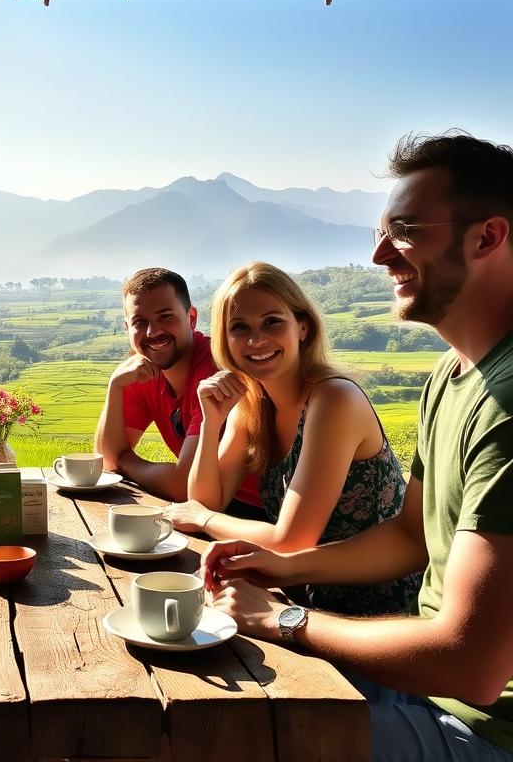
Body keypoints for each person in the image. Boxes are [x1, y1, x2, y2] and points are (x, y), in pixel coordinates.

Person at [204, 132, 513, 761]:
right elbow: (408, 537)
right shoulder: (451, 377)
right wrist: (283, 569)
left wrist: (283, 619)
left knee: (222, 737)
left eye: (404, 230)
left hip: (485, 728)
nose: (377, 255)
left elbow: (471, 667)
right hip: (424, 685)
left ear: (487, 237)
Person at [167, 261, 417, 615]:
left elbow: (290, 541)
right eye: (240, 327)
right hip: (302, 597)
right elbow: (207, 499)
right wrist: (212, 422)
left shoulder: (333, 400)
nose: (256, 340)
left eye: (272, 322)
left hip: (377, 610)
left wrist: (203, 521)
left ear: (302, 327)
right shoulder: (254, 403)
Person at [94, 267, 263, 512]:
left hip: (253, 509)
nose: (153, 332)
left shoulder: (214, 371)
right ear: (127, 328)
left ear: (191, 318)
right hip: (210, 506)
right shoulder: (142, 372)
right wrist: (115, 386)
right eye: (140, 322)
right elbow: (106, 461)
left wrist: (128, 462)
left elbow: (183, 484)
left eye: (166, 317)